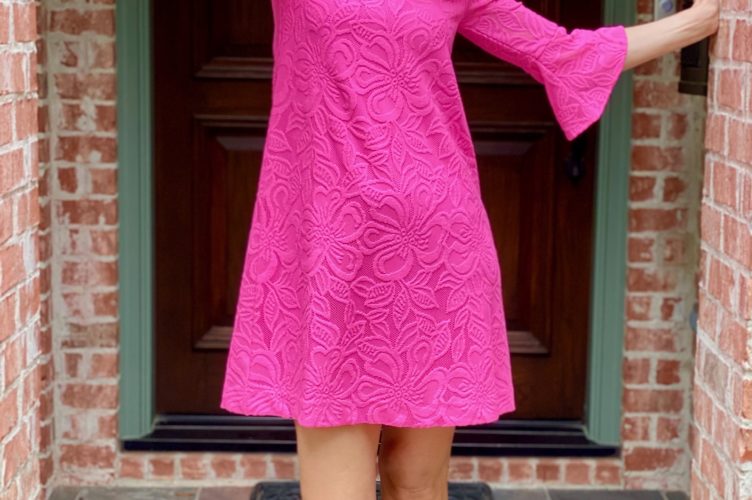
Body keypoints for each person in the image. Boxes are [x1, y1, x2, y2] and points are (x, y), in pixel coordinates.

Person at [219, 0, 720, 499]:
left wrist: (702, 18)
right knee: (336, 489)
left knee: (416, 480)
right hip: (330, 247)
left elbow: (564, 54)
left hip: (434, 248)